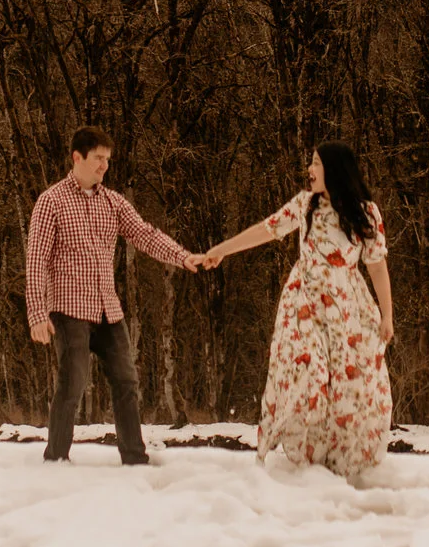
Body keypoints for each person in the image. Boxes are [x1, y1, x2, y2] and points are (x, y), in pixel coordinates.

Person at [202, 142, 395, 483]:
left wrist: (387, 315)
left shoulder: (366, 212)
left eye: (316, 163)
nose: (310, 169)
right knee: (310, 371)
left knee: (347, 384)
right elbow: (266, 229)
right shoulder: (305, 204)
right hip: (304, 301)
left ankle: (336, 466)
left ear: (333, 169)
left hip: (346, 305)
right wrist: (222, 250)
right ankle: (305, 457)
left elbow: (377, 266)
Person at [24, 125, 209, 465]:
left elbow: (144, 235)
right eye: (97, 159)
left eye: (107, 160)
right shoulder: (51, 201)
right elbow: (36, 260)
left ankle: (135, 460)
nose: (103, 166)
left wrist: (184, 257)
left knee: (127, 381)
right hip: (68, 309)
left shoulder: (113, 202)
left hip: (108, 310)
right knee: (72, 384)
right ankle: (55, 461)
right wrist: (37, 314)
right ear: (77, 158)